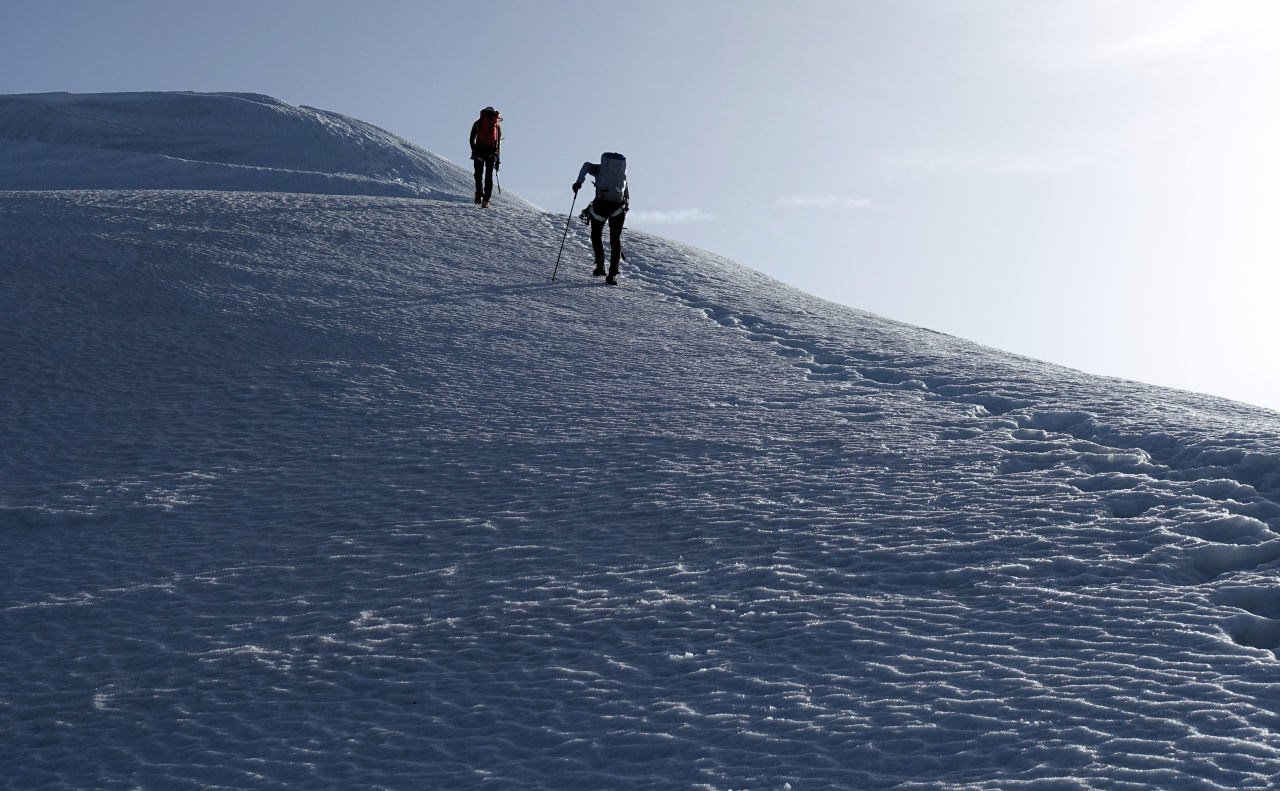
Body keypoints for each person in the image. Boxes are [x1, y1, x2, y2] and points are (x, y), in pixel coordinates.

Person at [572, 152, 629, 285]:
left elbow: (586, 165)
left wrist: (578, 182)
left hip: (601, 205)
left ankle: (600, 266)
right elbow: (626, 189)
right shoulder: (621, 174)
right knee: (615, 240)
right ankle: (613, 275)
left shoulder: (599, 169)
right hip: (618, 208)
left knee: (596, 234)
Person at [469, 107, 502, 207]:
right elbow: (498, 143)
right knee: (489, 176)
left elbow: (471, 138)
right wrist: (498, 158)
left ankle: (479, 192)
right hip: (491, 152)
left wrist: (473, 150)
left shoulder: (478, 122)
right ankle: (486, 200)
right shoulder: (497, 126)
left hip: (479, 151)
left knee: (478, 174)